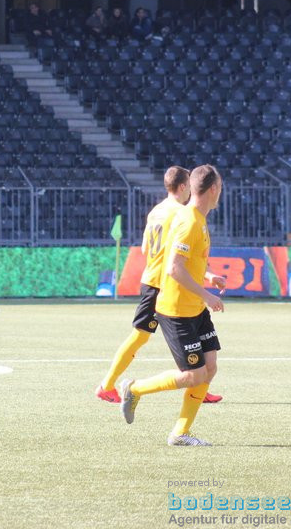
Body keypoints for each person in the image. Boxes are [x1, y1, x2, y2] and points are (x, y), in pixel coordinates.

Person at [119, 165, 227, 447]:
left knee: (210, 367)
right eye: (221, 187)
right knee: (193, 375)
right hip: (177, 310)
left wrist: (208, 275)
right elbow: (173, 268)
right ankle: (135, 389)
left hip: (194, 308)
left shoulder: (196, 218)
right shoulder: (189, 221)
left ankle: (181, 433)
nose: (221, 193)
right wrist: (207, 294)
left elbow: (186, 262)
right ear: (213, 189)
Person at [96, 167, 223, 406]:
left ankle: (198, 383)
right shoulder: (181, 214)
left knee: (141, 337)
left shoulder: (156, 211)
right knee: (140, 336)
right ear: (184, 186)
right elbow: (177, 258)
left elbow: (146, 249)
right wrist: (204, 276)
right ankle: (108, 385)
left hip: (152, 277)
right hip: (162, 284)